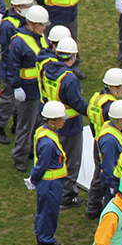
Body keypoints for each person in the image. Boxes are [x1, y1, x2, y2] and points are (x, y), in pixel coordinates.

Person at [39, 37, 86, 210]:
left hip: (53, 120)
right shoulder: (70, 79)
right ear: (73, 56)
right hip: (70, 124)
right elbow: (77, 104)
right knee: (71, 161)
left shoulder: (47, 69)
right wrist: (92, 110)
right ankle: (67, 196)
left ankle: (56, 191)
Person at [6, 5, 53, 172]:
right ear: (31, 24)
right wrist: (17, 87)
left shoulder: (40, 36)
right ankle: (19, 155)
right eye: (42, 25)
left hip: (40, 88)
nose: (45, 28)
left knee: (38, 122)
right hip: (27, 89)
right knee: (25, 124)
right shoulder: (18, 41)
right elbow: (12, 66)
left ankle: (31, 151)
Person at [25, 100, 69, 245]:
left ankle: (44, 239)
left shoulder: (44, 132)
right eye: (60, 119)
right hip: (50, 183)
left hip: (49, 183)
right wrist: (34, 179)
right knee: (49, 213)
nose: (64, 121)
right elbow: (42, 164)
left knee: (45, 212)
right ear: (51, 121)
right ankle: (45, 243)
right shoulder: (48, 142)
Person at [86, 68, 122, 219]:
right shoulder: (110, 106)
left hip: (99, 140)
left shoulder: (97, 98)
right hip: (108, 144)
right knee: (104, 176)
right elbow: (116, 125)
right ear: (115, 87)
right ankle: (100, 208)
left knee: (98, 175)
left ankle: (93, 207)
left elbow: (92, 122)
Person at [0, 0, 34, 145]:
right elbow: (8, 53)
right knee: (8, 101)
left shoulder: (23, 19)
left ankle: (16, 124)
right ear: (17, 7)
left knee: (20, 102)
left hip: (23, 68)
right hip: (11, 68)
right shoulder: (8, 25)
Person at [98, 99, 122, 205]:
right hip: (115, 180)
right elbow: (107, 165)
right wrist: (111, 186)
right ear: (121, 121)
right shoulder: (109, 140)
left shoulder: (117, 128)